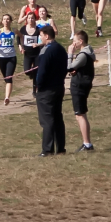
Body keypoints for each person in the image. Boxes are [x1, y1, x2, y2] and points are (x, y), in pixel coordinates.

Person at [35, 25, 67, 157]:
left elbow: (42, 71)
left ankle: (47, 149)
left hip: (46, 89)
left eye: (41, 36)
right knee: (57, 117)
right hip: (59, 86)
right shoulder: (61, 49)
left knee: (47, 119)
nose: (40, 38)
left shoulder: (46, 51)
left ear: (47, 36)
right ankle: (61, 148)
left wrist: (38, 85)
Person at [67, 30, 96, 152]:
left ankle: (87, 143)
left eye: (75, 41)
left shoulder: (83, 54)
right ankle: (87, 142)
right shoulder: (88, 52)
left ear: (81, 41)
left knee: (80, 114)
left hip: (79, 86)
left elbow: (69, 67)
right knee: (81, 113)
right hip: (83, 84)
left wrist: (70, 54)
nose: (73, 43)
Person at [0, 13, 17, 106]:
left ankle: (7, 97)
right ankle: (8, 92)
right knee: (6, 78)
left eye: (8, 19)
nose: (6, 21)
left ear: (10, 21)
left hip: (11, 57)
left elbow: (22, 36)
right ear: (2, 21)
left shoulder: (14, 31)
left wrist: (21, 45)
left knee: (9, 77)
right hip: (1, 58)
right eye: (4, 19)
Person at [17, 11, 41, 97]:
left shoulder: (38, 29)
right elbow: (18, 38)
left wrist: (38, 44)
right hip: (27, 54)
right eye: (29, 18)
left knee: (36, 72)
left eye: (32, 18)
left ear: (35, 19)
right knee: (27, 71)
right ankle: (31, 74)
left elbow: (42, 40)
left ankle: (35, 90)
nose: (31, 20)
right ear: (26, 19)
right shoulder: (23, 29)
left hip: (37, 54)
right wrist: (20, 46)